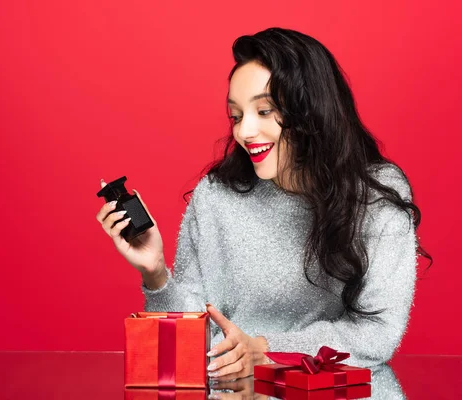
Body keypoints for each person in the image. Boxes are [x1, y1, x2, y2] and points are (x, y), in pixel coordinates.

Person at [96, 27, 431, 382]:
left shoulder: (374, 195)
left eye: (265, 110)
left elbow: (378, 335)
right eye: (237, 116)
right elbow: (195, 339)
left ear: (311, 110)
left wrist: (266, 349)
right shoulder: (216, 195)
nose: (244, 132)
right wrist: (156, 274)